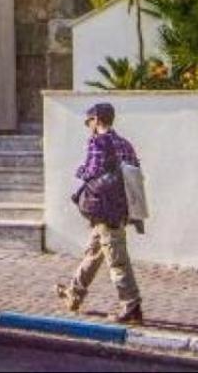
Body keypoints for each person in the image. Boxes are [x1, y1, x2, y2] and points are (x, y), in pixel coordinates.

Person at [64, 101, 143, 324]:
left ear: (97, 120)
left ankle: (131, 306)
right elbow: (135, 171)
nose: (88, 125)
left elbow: (93, 170)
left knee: (117, 259)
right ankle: (74, 292)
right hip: (121, 208)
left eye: (89, 121)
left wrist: (80, 171)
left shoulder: (98, 142)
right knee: (95, 251)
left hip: (104, 208)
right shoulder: (125, 143)